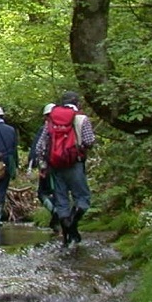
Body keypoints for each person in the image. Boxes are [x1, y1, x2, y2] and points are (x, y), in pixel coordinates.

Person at [34, 91, 95, 247]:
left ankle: (67, 238)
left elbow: (40, 147)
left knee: (61, 201)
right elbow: (89, 141)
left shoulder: (51, 121)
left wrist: (43, 165)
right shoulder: (81, 118)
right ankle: (73, 225)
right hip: (75, 163)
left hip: (55, 165)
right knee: (82, 198)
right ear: (77, 103)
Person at [26, 103, 57, 230]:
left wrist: (33, 164)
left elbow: (37, 149)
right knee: (58, 192)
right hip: (65, 164)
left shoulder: (44, 129)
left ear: (46, 116)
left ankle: (54, 211)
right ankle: (62, 219)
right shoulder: (67, 126)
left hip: (47, 166)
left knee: (42, 193)